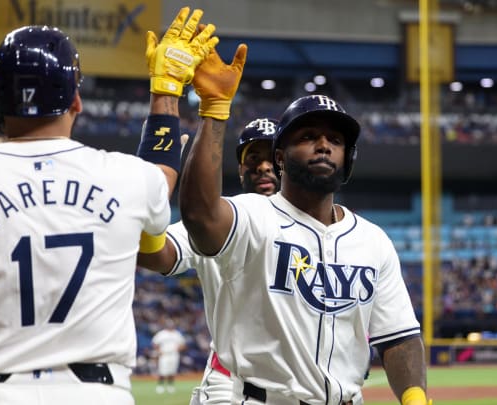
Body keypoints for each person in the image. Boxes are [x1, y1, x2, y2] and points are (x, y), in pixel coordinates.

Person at [0, 7, 218, 405]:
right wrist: (166, 88)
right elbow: (162, 172)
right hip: (99, 395)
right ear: (76, 100)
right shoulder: (127, 178)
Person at [179, 43, 433, 405]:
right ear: (280, 158)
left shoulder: (373, 241)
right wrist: (215, 111)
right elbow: (200, 217)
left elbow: (399, 337)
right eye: (308, 137)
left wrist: (414, 398)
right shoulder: (254, 215)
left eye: (335, 139)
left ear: (348, 159)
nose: (323, 146)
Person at [142, 117, 280, 405]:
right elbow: (155, 254)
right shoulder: (216, 220)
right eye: (253, 158)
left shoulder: (320, 227)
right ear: (241, 170)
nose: (264, 166)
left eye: (273, 157)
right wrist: (153, 189)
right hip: (231, 386)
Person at [151, 319, 186, 394]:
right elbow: (154, 343)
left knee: (172, 371)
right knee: (162, 370)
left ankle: (170, 386)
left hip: (174, 354)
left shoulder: (177, 334)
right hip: (164, 354)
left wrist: (178, 348)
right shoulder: (162, 334)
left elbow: (183, 345)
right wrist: (159, 350)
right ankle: (160, 386)